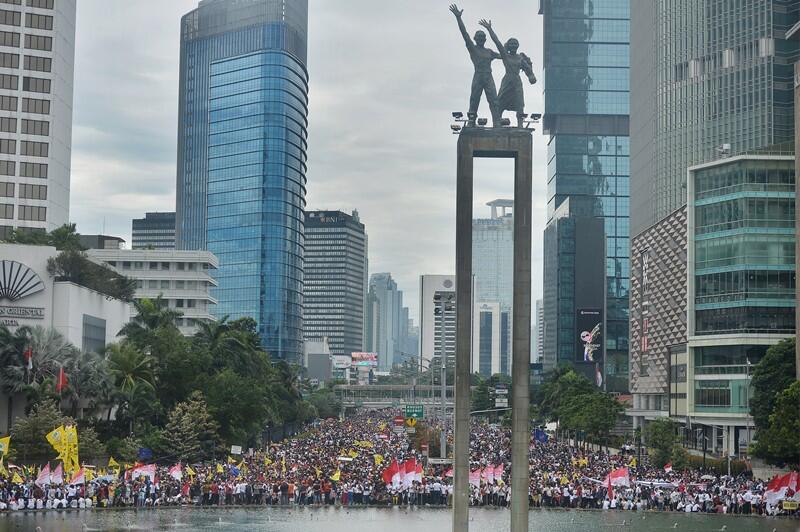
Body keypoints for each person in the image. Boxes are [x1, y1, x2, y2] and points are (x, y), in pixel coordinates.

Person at [449, 4, 500, 127]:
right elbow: (464, 34)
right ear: (475, 38)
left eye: (483, 37)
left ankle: (496, 121)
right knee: (474, 98)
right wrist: (458, 18)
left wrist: (490, 29)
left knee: (494, 99)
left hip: (488, 76)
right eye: (479, 37)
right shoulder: (473, 49)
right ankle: (472, 119)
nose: (481, 38)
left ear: (485, 39)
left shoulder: (489, 52)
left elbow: (504, 55)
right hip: (478, 75)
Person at [478, 19, 536, 127]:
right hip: (507, 81)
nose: (513, 45)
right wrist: (489, 29)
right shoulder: (505, 56)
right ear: (509, 46)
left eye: (515, 43)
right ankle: (497, 123)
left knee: (519, 103)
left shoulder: (520, 58)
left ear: (517, 45)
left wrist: (531, 76)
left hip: (517, 82)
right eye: (511, 43)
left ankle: (520, 124)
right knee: (499, 102)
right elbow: (497, 42)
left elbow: (527, 69)